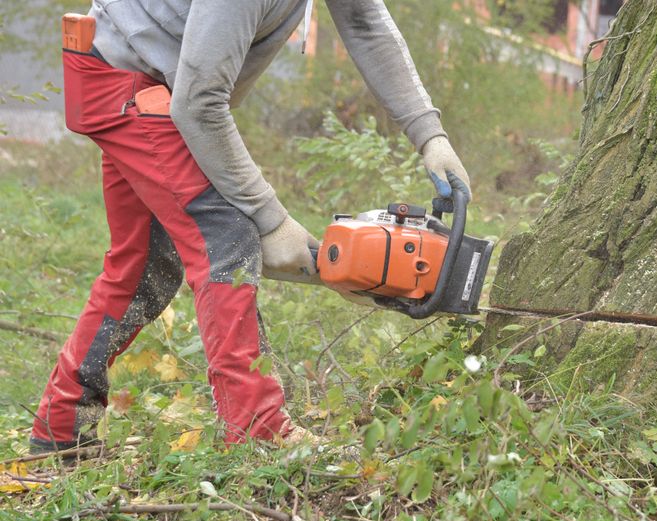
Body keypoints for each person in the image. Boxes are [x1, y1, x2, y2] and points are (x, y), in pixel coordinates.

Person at [30, 0, 471, 453]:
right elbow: (198, 104)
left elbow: (364, 21)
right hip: (129, 81)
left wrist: (429, 135)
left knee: (144, 264)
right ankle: (257, 431)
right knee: (226, 237)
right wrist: (271, 221)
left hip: (153, 80)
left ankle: (60, 429)